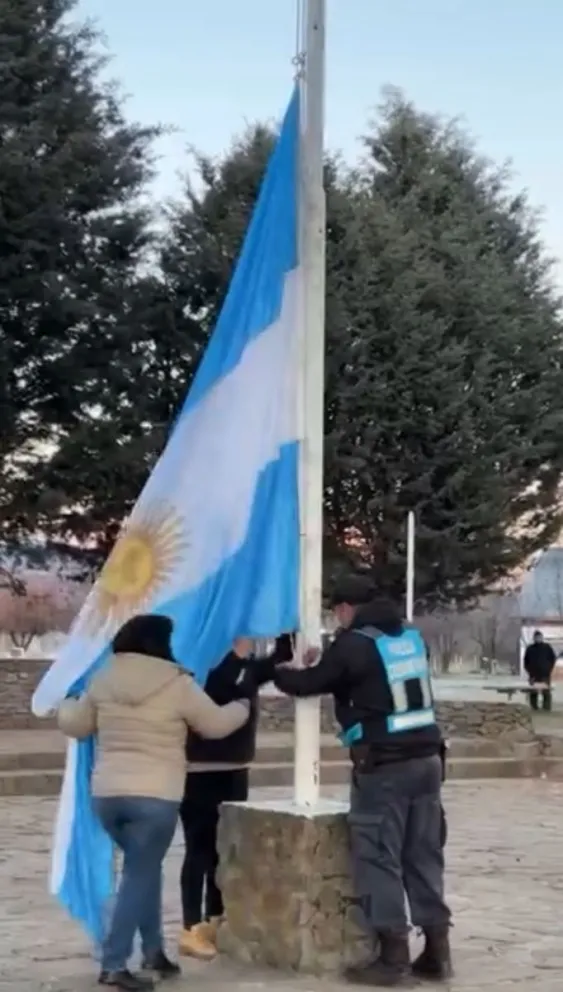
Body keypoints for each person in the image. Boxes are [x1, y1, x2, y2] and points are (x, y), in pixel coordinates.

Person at [57, 614, 251, 992]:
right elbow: (215, 725)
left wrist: (66, 702)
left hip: (108, 797)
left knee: (143, 870)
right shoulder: (176, 683)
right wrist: (244, 705)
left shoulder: (103, 679)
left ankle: (153, 952)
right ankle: (114, 964)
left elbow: (76, 725)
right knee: (139, 874)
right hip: (156, 797)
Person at [274, 576, 452, 987]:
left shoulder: (353, 643)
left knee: (378, 857)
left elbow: (308, 685)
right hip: (428, 760)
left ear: (344, 609)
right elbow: (373, 680)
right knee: (423, 855)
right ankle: (437, 951)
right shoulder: (410, 637)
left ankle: (393, 957)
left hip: (385, 766)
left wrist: (280, 670)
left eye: (336, 613)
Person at [178, 633, 293, 959]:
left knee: (224, 847)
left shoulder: (246, 667)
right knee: (199, 849)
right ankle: (191, 925)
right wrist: (235, 656)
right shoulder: (196, 668)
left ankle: (215, 916)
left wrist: (288, 636)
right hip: (199, 770)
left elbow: (271, 664)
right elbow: (218, 690)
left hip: (235, 767)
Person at [524, 631, 556, 711]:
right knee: (533, 692)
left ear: (542, 638)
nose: (538, 639)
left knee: (546, 691)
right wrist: (529, 670)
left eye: (539, 637)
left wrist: (549, 668)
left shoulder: (547, 647)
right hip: (533, 674)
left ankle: (546, 707)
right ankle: (534, 707)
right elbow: (526, 661)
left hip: (545, 674)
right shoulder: (530, 648)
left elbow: (552, 658)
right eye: (536, 637)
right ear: (534, 638)